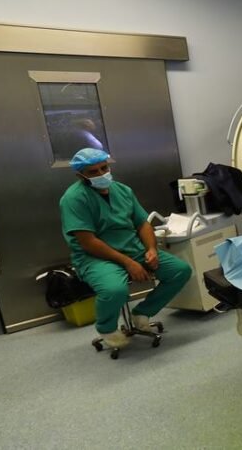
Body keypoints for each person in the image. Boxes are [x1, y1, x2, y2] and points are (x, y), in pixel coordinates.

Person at [59, 148, 192, 349]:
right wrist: (128, 263)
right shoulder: (74, 199)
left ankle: (142, 312)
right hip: (96, 257)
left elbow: (142, 223)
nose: (101, 174)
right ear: (81, 175)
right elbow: (88, 242)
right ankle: (106, 328)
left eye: (104, 168)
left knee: (180, 271)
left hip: (133, 249)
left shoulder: (122, 190)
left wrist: (151, 249)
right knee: (115, 290)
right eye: (93, 172)